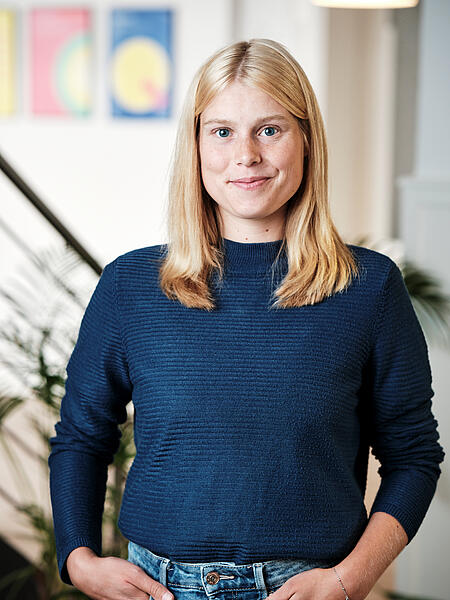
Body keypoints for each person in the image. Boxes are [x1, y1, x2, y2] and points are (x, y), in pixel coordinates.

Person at [48, 38, 445, 600]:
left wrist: (348, 581)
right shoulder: (130, 286)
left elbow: (413, 457)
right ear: (197, 145)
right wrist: (79, 558)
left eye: (270, 129)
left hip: (306, 589)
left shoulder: (369, 287)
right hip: (155, 587)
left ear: (306, 139)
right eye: (222, 131)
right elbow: (81, 438)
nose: (246, 155)